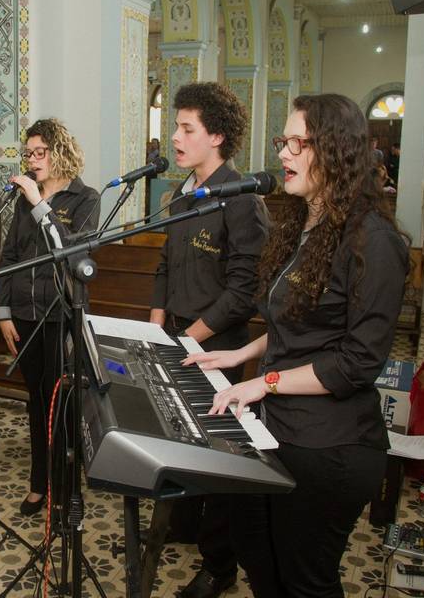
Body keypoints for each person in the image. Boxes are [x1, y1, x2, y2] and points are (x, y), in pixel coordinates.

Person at [187, 93, 408, 597]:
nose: (283, 154)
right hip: (277, 428)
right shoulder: (307, 223)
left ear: (334, 149)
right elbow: (302, 325)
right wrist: (242, 354)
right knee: (257, 557)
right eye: (281, 141)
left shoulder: (374, 240)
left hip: (329, 446)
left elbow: (358, 360)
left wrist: (263, 383)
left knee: (304, 581)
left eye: (296, 142)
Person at [149, 82, 270, 598]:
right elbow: (165, 265)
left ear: (216, 136)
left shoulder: (243, 202)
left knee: (216, 451)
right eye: (176, 126)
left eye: (186, 128)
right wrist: (158, 325)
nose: (174, 137)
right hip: (178, 336)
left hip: (218, 346)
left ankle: (218, 565)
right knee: (177, 435)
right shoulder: (181, 194)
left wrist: (189, 339)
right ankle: (183, 524)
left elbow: (243, 293)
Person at [0, 118, 99, 515]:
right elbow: (9, 257)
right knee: (36, 404)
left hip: (60, 316)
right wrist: (3, 311)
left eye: (41, 152)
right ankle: (40, 482)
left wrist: (40, 203)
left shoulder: (84, 198)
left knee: (63, 405)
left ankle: (67, 486)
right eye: (29, 153)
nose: (33, 160)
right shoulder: (22, 201)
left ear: (60, 152)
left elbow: (73, 256)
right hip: (23, 314)